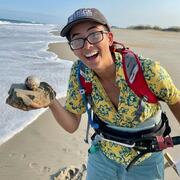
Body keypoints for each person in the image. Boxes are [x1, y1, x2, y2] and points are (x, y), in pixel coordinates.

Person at [32, 8, 180, 180]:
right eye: (77, 39)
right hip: (102, 157)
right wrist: (50, 102)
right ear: (73, 48)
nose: (87, 46)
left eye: (94, 35)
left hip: (146, 159)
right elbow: (72, 124)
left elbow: (175, 101)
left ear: (109, 38)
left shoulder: (148, 71)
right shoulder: (79, 73)